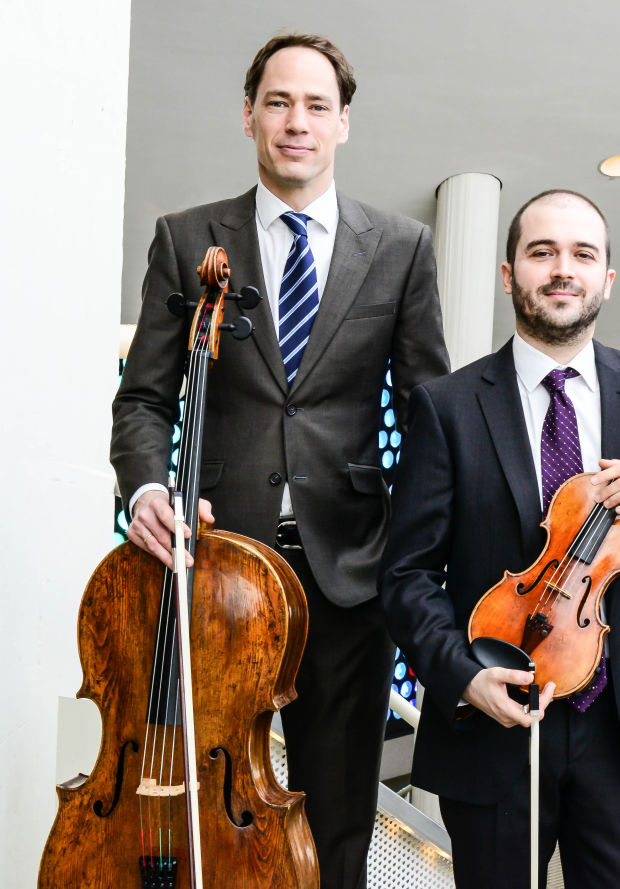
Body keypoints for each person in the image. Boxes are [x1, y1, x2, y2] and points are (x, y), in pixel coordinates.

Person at [110, 33, 449, 889]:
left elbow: (427, 411)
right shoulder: (188, 239)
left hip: (351, 568)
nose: (297, 122)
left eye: (317, 105)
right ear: (250, 115)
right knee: (207, 799)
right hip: (216, 566)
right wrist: (150, 485)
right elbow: (145, 399)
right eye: (279, 102)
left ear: (344, 123)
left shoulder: (401, 246)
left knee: (338, 815)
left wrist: (411, 544)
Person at [380, 189, 620, 889]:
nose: (562, 269)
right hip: (494, 714)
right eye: (542, 252)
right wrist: (465, 675)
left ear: (606, 279)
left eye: (582, 254)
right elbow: (406, 575)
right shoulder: (447, 406)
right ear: (509, 273)